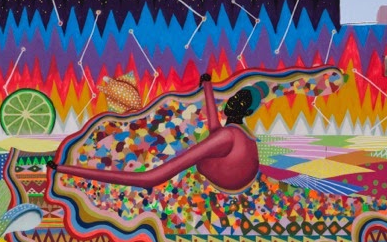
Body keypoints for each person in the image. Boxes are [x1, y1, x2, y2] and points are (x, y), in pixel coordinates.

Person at [49, 74, 261, 193]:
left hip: (224, 181)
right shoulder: (237, 131)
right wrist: (207, 86)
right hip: (234, 174)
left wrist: (66, 169)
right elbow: (216, 130)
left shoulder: (226, 138)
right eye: (236, 96)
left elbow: (150, 178)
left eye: (241, 102)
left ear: (248, 111)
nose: (233, 101)